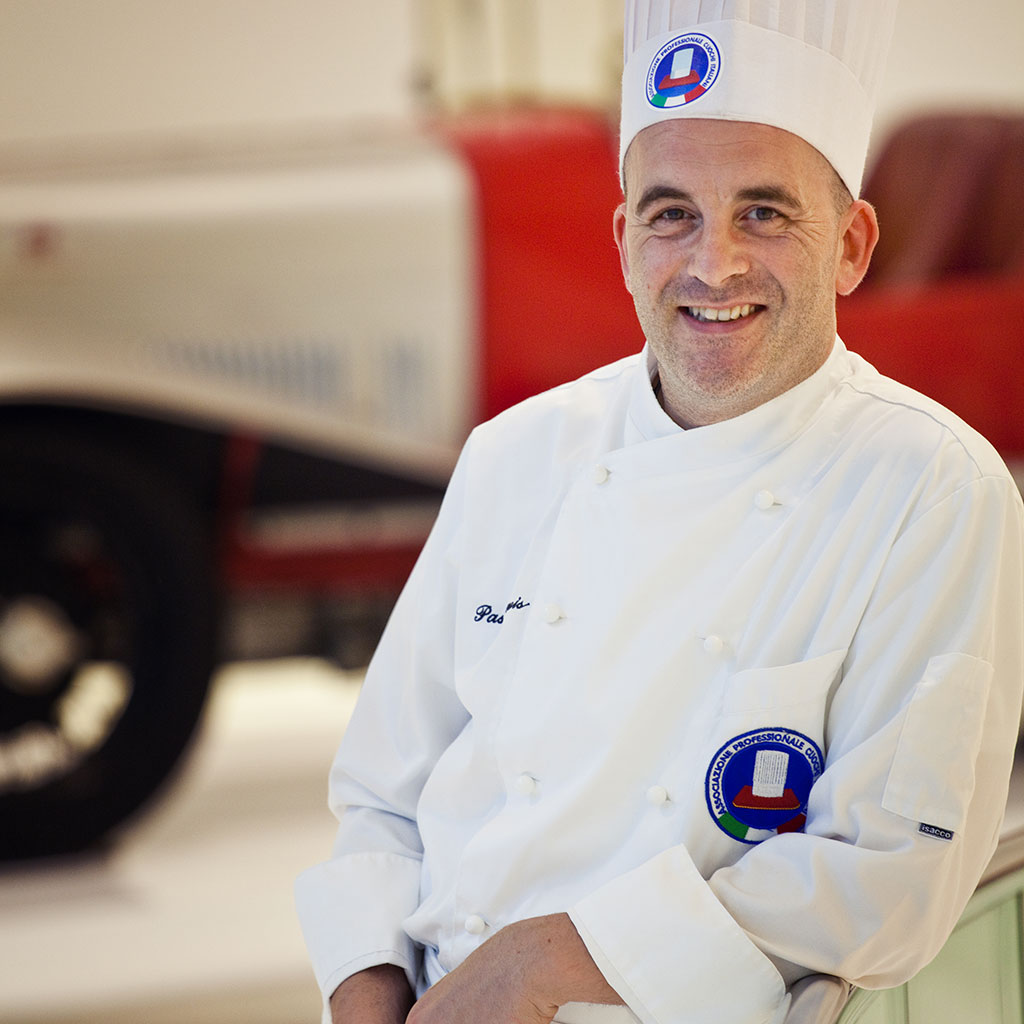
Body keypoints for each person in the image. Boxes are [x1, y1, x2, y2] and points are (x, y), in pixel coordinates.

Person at [296, 2, 1024, 1022]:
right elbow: (381, 796)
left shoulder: (931, 486)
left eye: (764, 213)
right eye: (671, 213)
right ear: (624, 239)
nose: (712, 265)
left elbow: (889, 880)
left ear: (852, 245)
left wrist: (540, 966)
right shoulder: (515, 454)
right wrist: (367, 984)